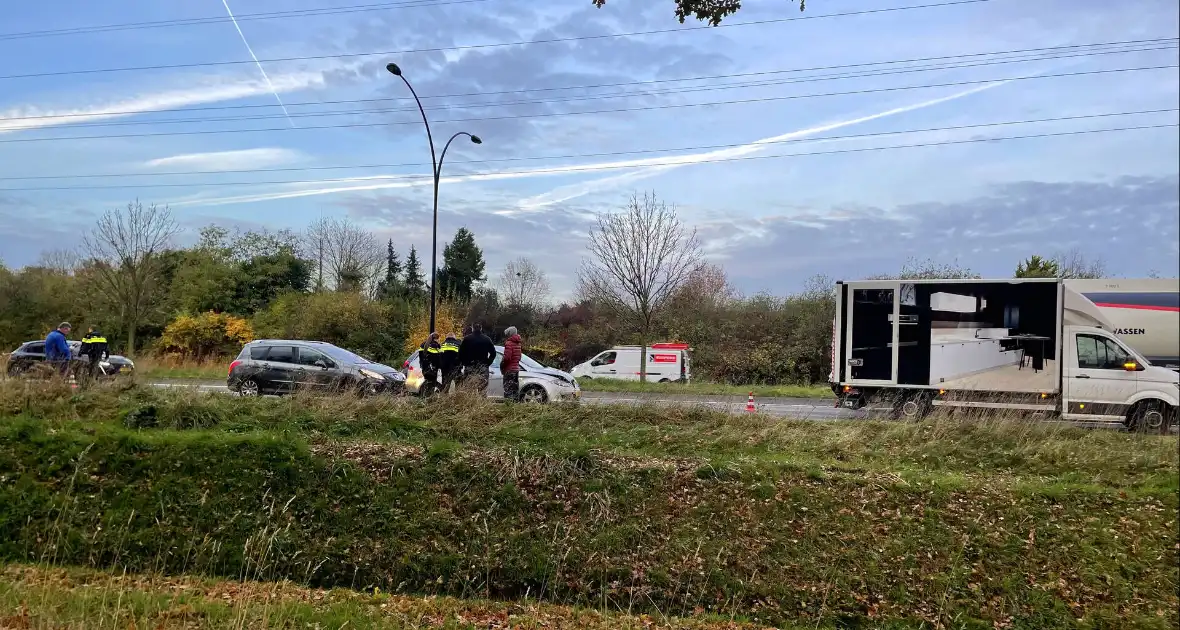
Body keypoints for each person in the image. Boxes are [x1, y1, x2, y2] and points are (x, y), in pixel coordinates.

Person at [458, 323, 496, 395]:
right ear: (481, 329)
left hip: (470, 366)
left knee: (469, 390)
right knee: (482, 390)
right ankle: (481, 404)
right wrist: (488, 363)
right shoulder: (487, 339)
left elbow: (460, 353)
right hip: (483, 366)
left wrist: (464, 363)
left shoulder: (467, 339)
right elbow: (493, 353)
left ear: (473, 329)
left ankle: (471, 405)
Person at [501, 326, 522, 402]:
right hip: (516, 369)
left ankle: (508, 407)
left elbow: (507, 358)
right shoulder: (518, 343)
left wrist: (502, 365)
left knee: (508, 390)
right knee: (515, 390)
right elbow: (519, 357)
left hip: (509, 370)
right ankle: (515, 408)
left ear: (509, 334)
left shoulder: (509, 343)